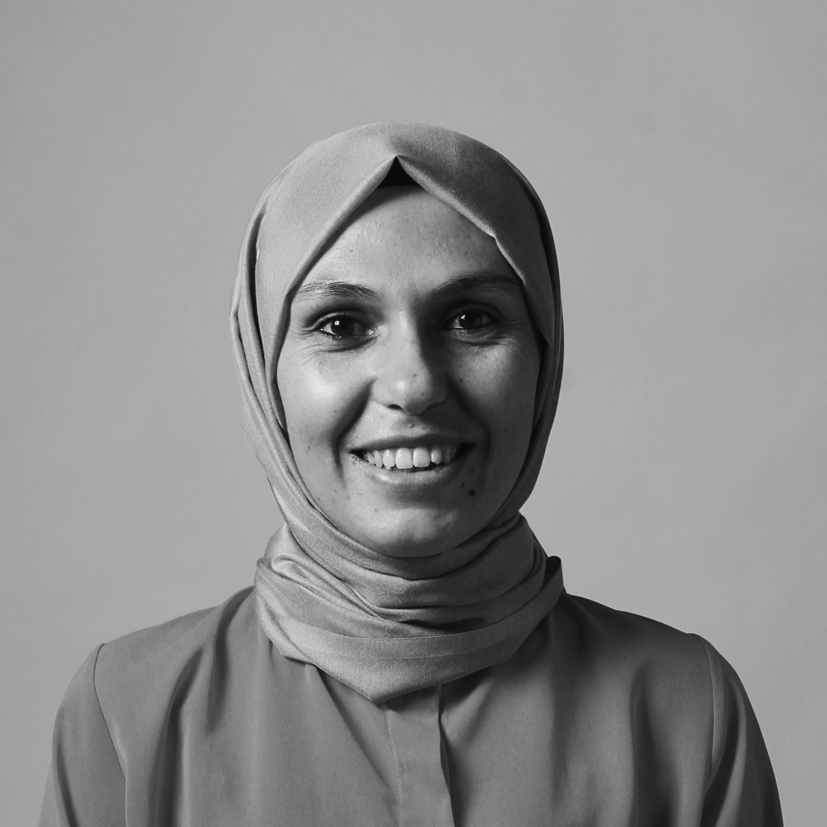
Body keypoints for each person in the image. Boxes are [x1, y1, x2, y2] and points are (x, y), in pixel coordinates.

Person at [39, 123, 783, 826]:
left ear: (544, 359)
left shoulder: (686, 709)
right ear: (264, 371)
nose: (414, 384)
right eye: (341, 325)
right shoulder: (126, 713)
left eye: (471, 319)